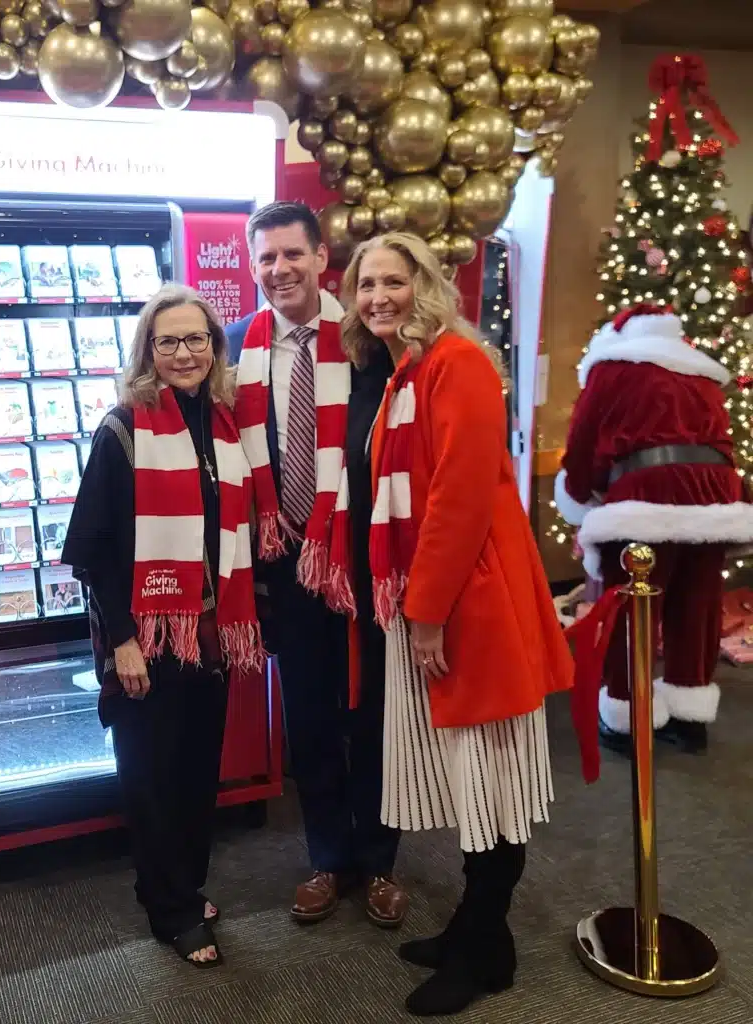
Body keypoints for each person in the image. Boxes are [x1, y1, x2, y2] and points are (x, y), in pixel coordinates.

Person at [341, 232, 574, 1017]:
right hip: (447, 600)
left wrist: (428, 613)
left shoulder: (458, 364)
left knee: (492, 778)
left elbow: (459, 500)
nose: (377, 296)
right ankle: (485, 937)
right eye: (366, 284)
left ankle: (479, 945)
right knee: (475, 775)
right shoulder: (413, 370)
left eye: (392, 281)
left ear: (426, 285)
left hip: (473, 606)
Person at [63, 284, 264, 968]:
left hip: (208, 635)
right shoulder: (123, 429)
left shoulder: (226, 426)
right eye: (169, 340)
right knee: (151, 780)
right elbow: (89, 549)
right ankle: (172, 910)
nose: (185, 353)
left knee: (195, 774)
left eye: (198, 339)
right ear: (148, 350)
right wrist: (123, 641)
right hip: (145, 639)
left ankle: (181, 886)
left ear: (216, 346)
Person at [228, 201, 406, 927]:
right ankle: (328, 858)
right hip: (287, 563)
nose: (279, 270)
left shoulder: (367, 340)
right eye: (265, 258)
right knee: (306, 716)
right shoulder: (239, 344)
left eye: (291, 254)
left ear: (322, 255)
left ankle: (380, 862)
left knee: (370, 713)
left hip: (362, 563)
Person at [556, 304, 753, 754]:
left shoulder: (612, 369)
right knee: (696, 603)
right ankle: (689, 713)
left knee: (630, 608)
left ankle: (625, 713)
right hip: (716, 496)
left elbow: (583, 443)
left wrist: (581, 493)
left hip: (648, 494)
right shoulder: (701, 375)